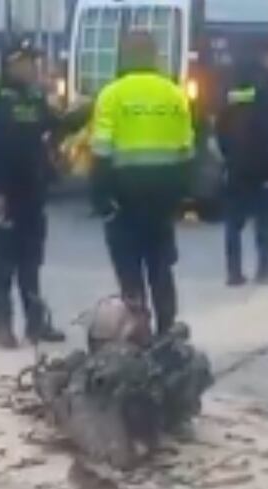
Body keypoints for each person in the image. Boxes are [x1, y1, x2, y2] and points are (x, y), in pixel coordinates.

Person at [0, 36, 86, 348]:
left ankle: (36, 324)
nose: (35, 68)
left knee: (31, 261)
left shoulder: (35, 96)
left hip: (32, 191)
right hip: (3, 193)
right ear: (12, 64)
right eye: (29, 63)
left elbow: (55, 125)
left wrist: (84, 112)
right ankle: (4, 326)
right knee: (3, 262)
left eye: (35, 63)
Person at [90, 31, 195, 336]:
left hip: (124, 199)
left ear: (124, 56)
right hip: (162, 199)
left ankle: (138, 332)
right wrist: (181, 196)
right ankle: (167, 329)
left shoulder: (112, 94)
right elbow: (187, 152)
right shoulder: (175, 94)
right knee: (161, 268)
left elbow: (102, 152)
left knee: (129, 271)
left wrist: (100, 198)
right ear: (154, 56)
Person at [216, 46, 268, 286]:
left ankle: (234, 272)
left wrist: (228, 154)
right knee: (263, 217)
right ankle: (263, 266)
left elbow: (220, 128)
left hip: (235, 165)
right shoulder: (265, 93)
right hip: (262, 165)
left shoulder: (229, 95)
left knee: (233, 222)